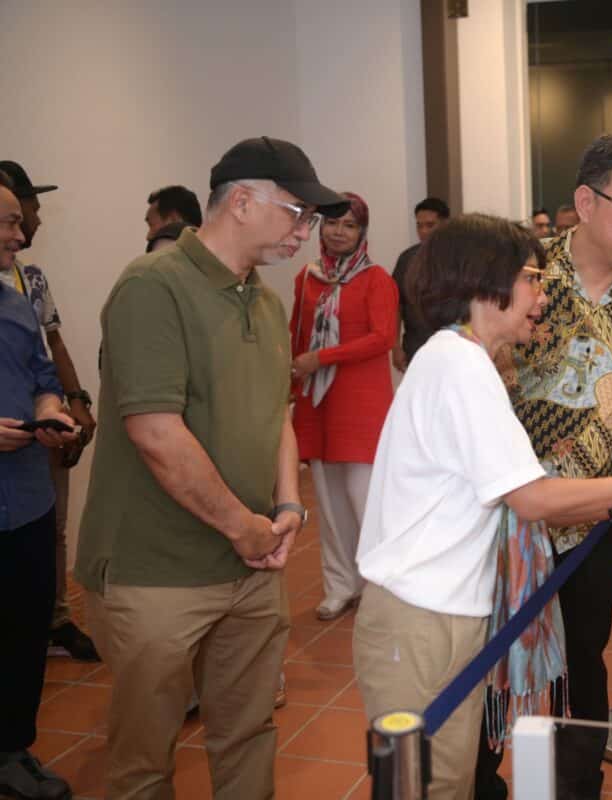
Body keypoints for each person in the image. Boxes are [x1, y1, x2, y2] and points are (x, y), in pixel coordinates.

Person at [353, 213, 612, 800]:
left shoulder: (464, 359)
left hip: (440, 608)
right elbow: (533, 497)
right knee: (426, 784)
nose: (542, 294)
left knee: (445, 779)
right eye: (532, 278)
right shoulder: (458, 365)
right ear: (488, 283)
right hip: (419, 615)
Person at [75, 136, 348, 799]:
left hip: (251, 565)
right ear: (243, 201)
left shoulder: (265, 299)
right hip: (156, 571)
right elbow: (157, 433)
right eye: (297, 213)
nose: (307, 231)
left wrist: (286, 508)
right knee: (146, 757)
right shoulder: (153, 287)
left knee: (247, 732)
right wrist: (243, 528)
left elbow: (277, 415)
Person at [475, 133, 612, 799]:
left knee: (583, 662)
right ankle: (480, 783)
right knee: (486, 663)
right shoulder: (526, 280)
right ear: (583, 203)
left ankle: (577, 787)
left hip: (592, 515)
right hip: (500, 516)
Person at [0, 159, 100, 662]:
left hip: (30, 463)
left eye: (27, 215)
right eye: (16, 217)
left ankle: (53, 620)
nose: (28, 226)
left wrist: (66, 404)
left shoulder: (26, 289)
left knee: (48, 534)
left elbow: (48, 355)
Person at [0, 170, 77, 800]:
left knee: (25, 630)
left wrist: (51, 407)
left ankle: (12, 751)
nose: (20, 235)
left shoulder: (16, 301)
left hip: (25, 499)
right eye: (7, 222)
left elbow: (41, 371)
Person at [289, 192, 398, 621]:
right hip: (318, 403)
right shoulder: (307, 277)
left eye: (349, 225)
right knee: (329, 504)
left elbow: (382, 337)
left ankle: (378, 589)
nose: (338, 232)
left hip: (362, 405)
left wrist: (322, 358)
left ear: (362, 233)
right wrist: (294, 375)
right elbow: (296, 332)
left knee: (365, 502)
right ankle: (340, 585)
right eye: (332, 223)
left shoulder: (376, 280)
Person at [391, 196, 451, 370]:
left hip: (452, 348)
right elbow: (396, 305)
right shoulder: (407, 259)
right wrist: (395, 347)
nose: (423, 231)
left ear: (445, 224)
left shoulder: (460, 258)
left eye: (430, 225)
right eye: (419, 225)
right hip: (415, 348)